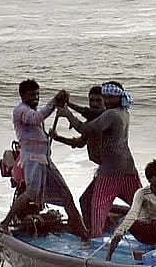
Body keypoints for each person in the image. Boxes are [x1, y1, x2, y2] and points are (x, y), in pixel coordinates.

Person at [0, 79, 86, 238]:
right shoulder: (21, 111)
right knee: (31, 193)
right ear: (22, 95)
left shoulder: (33, 110)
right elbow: (36, 118)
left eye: (37, 94)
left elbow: (39, 119)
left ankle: (80, 229)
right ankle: (4, 224)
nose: (35, 98)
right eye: (32, 95)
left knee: (66, 195)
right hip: (33, 160)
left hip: (45, 160)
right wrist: (54, 102)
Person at [58, 81, 141, 237]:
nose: (107, 100)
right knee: (142, 206)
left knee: (97, 211)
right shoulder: (123, 111)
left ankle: (94, 239)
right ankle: (153, 233)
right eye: (106, 97)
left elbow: (86, 128)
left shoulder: (111, 114)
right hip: (129, 169)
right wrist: (69, 104)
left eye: (110, 97)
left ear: (119, 97)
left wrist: (67, 114)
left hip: (109, 173)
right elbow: (89, 114)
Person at [105, 159, 156, 261]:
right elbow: (133, 214)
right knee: (123, 221)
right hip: (145, 231)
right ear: (150, 179)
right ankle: (108, 256)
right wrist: (119, 232)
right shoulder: (142, 193)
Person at [49, 85, 105, 222]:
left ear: (105, 102)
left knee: (85, 201)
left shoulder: (106, 117)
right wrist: (58, 138)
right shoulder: (92, 121)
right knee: (88, 201)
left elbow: (85, 120)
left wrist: (68, 107)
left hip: (111, 170)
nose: (95, 104)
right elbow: (80, 142)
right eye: (92, 101)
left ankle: (90, 235)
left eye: (98, 100)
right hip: (103, 170)